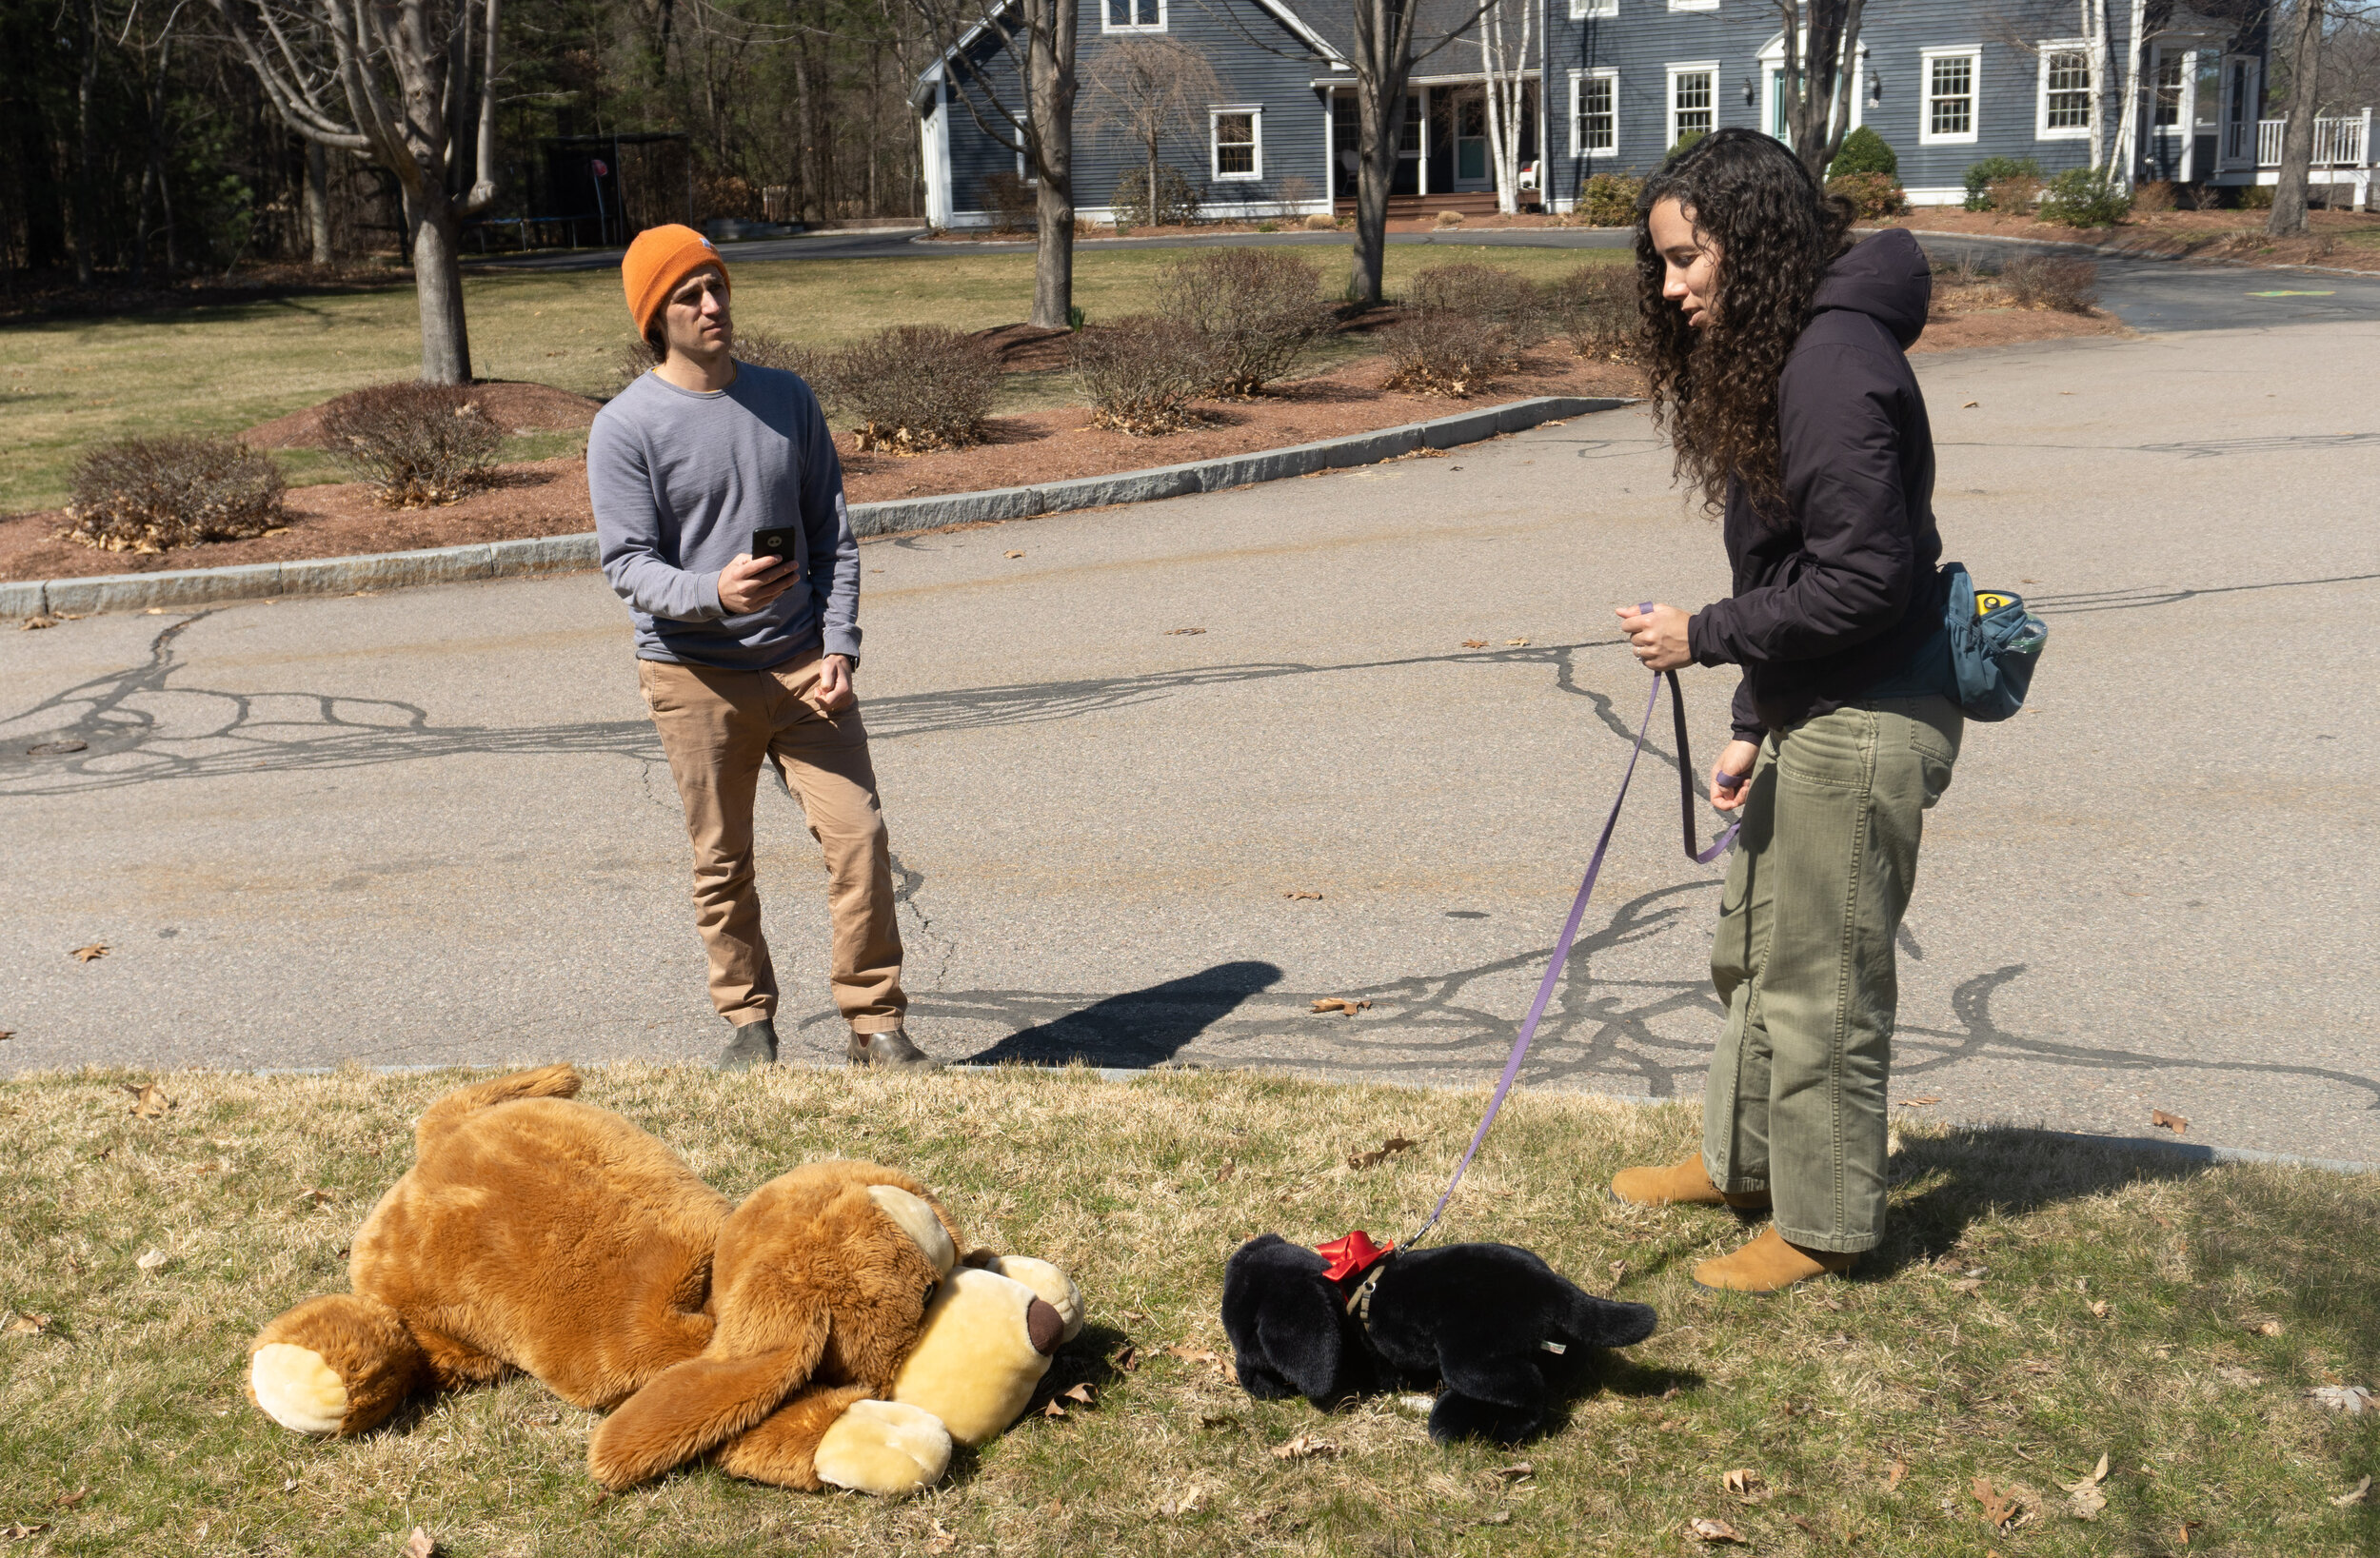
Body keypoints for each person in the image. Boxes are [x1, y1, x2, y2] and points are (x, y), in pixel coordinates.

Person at [1605, 130, 1961, 1292]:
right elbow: (1792, 562)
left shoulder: (1829, 361)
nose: (1672, 287)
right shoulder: (1789, 354)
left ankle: (1822, 1223)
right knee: (1752, 953)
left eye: (1686, 259)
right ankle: (1745, 1161)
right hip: (1816, 706)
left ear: (1750, 247)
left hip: (1869, 717)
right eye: (1661, 263)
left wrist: (1705, 636)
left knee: (1821, 980)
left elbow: (1866, 579)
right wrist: (1753, 716)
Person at [587, 224, 934, 1071]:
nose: (713, 305)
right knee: (722, 859)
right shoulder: (625, 427)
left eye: (717, 286)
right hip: (694, 673)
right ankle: (749, 1024)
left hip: (803, 663)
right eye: (689, 295)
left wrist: (840, 644)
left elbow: (835, 536)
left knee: (860, 838)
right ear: (655, 319)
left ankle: (875, 1022)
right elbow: (627, 563)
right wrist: (713, 591)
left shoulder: (788, 399)